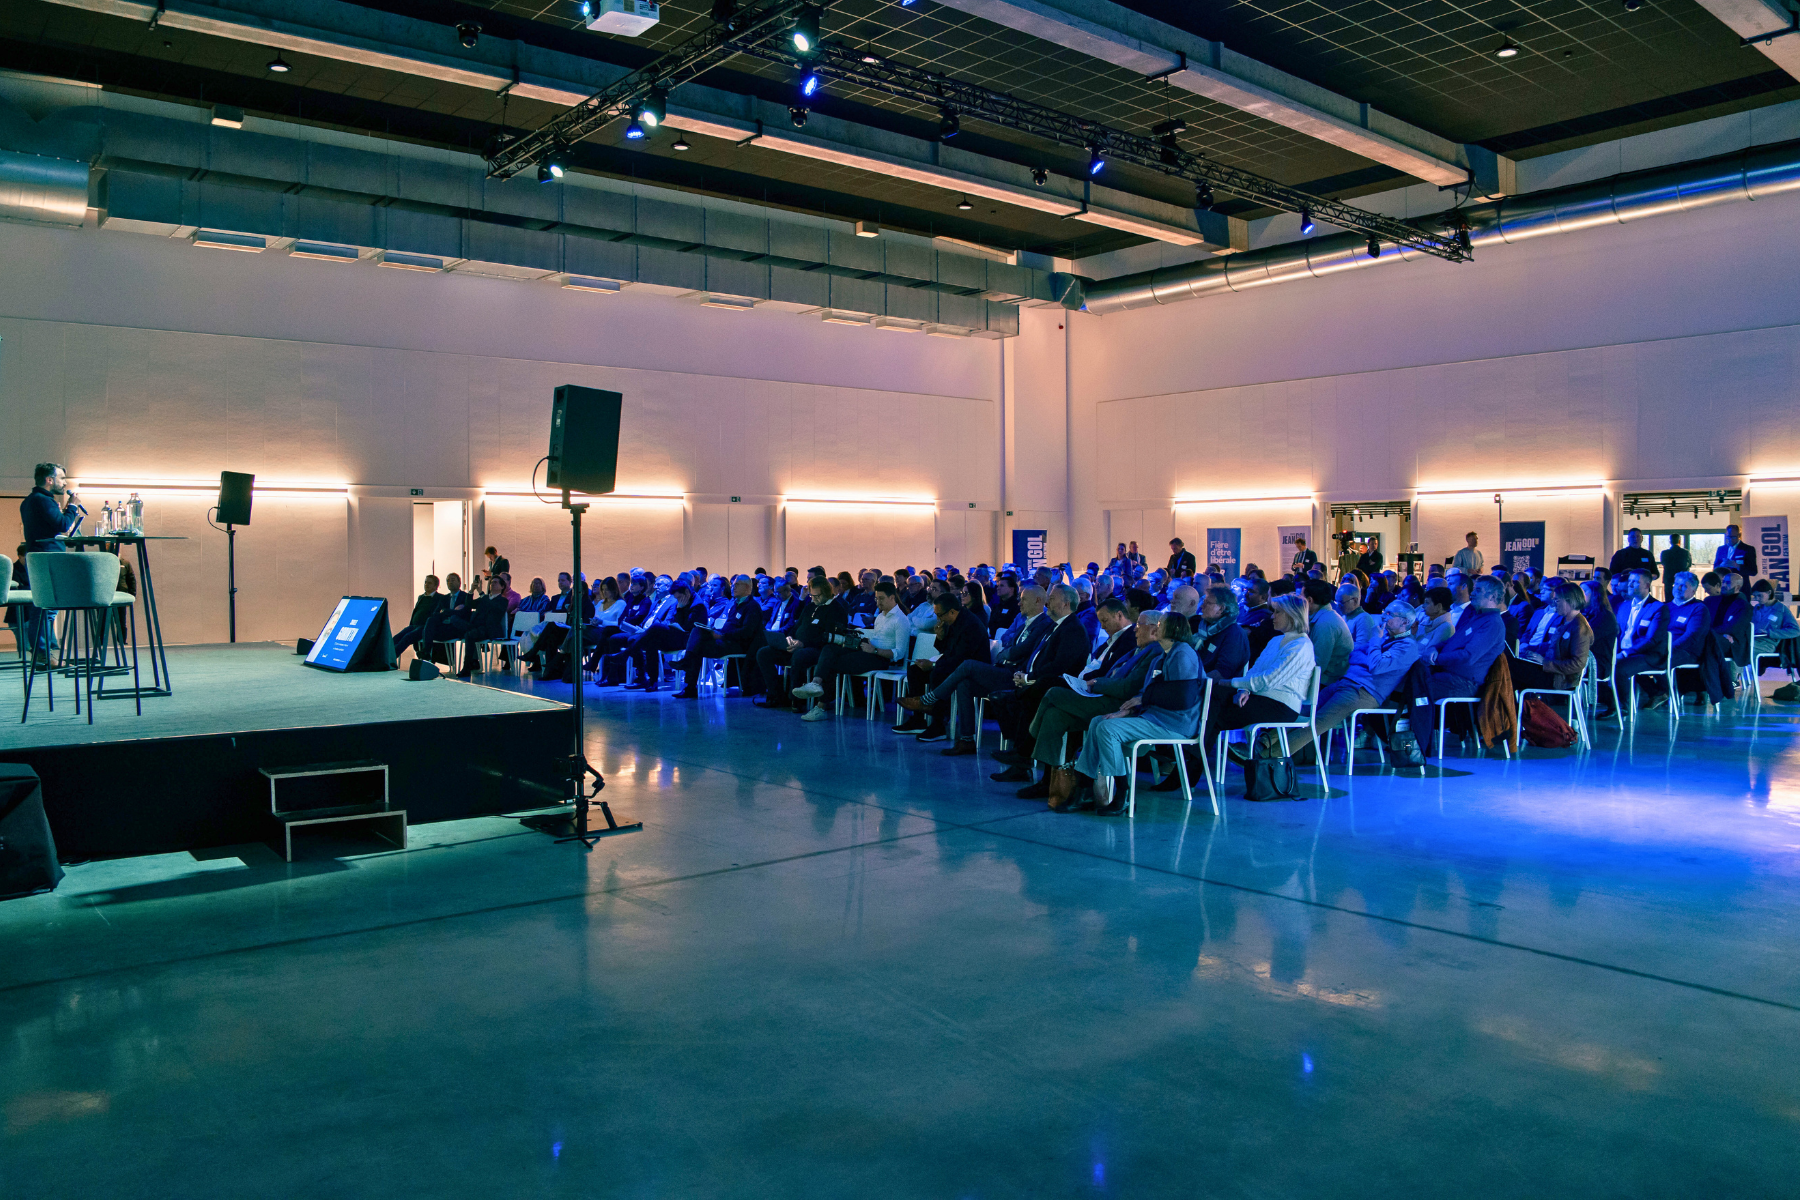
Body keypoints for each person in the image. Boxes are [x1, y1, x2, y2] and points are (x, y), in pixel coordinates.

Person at [1009, 605, 1164, 796]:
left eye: (1139, 624)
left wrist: (1096, 683)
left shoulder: (1154, 651)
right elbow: (1114, 676)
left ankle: (1026, 749)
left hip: (1117, 705)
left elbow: (1127, 688)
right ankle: (1049, 781)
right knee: (1053, 715)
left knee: (1053, 692)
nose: (1135, 629)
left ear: (1154, 629)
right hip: (1102, 697)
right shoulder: (1138, 651)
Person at [1060, 611, 1201, 815]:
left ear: (1174, 629)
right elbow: (1147, 695)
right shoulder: (1162, 656)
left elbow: (1182, 698)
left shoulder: (1183, 653)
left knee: (1108, 729)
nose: (1156, 627)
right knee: (1097, 722)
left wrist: (1144, 699)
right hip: (1154, 717)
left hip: (1175, 723)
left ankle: (1123, 794)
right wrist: (1125, 711)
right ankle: (1084, 788)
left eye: (1160, 624)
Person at [1282, 601, 1421, 757]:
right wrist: (1370, 657)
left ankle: (1273, 756)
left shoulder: (1407, 646)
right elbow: (1353, 654)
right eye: (1385, 611)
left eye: (1390, 614)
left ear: (1405, 622)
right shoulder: (1385, 638)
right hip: (1345, 683)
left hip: (1363, 692)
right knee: (1300, 712)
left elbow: (1376, 666)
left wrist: (1374, 642)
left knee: (1317, 723)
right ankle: (1264, 743)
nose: (1383, 616)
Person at [1210, 595, 1317, 768]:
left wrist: (1230, 683)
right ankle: (1189, 766)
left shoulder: (1301, 646)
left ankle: (1188, 766)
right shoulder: (1276, 640)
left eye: (1277, 612)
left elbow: (1267, 680)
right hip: (1262, 698)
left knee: (1213, 711)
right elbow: (1255, 672)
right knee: (1212, 701)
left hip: (1281, 706)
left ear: (1291, 615)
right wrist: (1243, 690)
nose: (1272, 616)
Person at [792, 580, 911, 720]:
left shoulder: (901, 620)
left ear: (892, 597)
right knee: (830, 648)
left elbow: (899, 653)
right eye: (876, 598)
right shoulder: (880, 616)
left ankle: (820, 705)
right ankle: (816, 684)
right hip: (869, 650)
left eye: (881, 598)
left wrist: (875, 650)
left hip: (880, 658)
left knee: (832, 662)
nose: (878, 602)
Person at [896, 591, 991, 739]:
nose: (938, 619)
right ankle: (918, 719)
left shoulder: (971, 625)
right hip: (955, 664)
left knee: (938, 672)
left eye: (939, 615)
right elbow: (948, 651)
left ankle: (938, 725)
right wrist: (940, 637)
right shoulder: (952, 621)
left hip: (972, 670)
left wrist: (933, 665)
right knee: (915, 670)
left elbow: (961, 658)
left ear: (952, 611)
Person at [18, 462, 84, 665]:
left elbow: (50, 526)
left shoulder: (29, 501)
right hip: (48, 558)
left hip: (39, 558)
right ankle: (43, 654)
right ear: (49, 480)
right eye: (61, 478)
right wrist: (72, 506)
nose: (64, 483)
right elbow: (62, 525)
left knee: (44, 606)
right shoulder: (43, 501)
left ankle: (42, 654)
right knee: (46, 607)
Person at [754, 576, 844, 711]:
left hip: (818, 649)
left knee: (800, 655)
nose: (814, 599)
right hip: (797, 645)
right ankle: (776, 695)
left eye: (817, 596)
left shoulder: (836, 609)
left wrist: (802, 643)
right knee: (763, 653)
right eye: (812, 595)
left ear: (826, 592)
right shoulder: (810, 607)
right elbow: (796, 628)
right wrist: (789, 639)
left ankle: (796, 700)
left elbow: (829, 637)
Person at [673, 575, 769, 698]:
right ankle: (689, 687)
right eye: (733, 584)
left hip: (739, 645)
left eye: (737, 584)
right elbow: (729, 626)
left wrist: (722, 636)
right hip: (726, 640)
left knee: (697, 646)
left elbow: (747, 632)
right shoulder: (735, 604)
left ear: (747, 587)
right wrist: (716, 632)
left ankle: (687, 671)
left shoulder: (752, 606)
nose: (733, 587)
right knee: (697, 633)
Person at [1423, 576, 1507, 705]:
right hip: (1447, 674)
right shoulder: (1475, 616)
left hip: (1463, 681)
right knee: (1407, 676)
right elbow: (1451, 642)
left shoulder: (1493, 623)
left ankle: (1406, 723)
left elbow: (1468, 656)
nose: (1472, 593)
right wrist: (1434, 648)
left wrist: (1436, 659)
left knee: (1415, 685)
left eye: (1478, 590)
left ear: (1492, 596)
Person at [1510, 583, 1594, 693]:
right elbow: (1553, 646)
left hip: (1559, 679)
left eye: (1557, 600)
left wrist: (1544, 662)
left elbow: (1577, 663)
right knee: (1511, 666)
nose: (1554, 604)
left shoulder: (1579, 627)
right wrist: (1531, 651)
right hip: (1552, 672)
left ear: (1568, 600)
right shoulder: (1567, 622)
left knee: (1510, 669)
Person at [1610, 569, 1669, 714]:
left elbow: (1651, 639)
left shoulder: (1658, 608)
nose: (1630, 584)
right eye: (1629, 581)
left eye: (1635, 581)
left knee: (1619, 668)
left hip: (1649, 654)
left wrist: (1624, 653)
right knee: (1602, 663)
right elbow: (1616, 633)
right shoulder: (1623, 606)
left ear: (1647, 585)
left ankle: (1622, 707)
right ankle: (1607, 701)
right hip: (1624, 652)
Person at [1302, 578, 1352, 686]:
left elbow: (1318, 665)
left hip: (1329, 683)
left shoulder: (1325, 624)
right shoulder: (1324, 617)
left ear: (1309, 600)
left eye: (1301, 597)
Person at [391, 574, 443, 657]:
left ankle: (392, 658)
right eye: (425, 582)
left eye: (429, 583)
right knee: (396, 638)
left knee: (407, 637)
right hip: (414, 625)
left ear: (436, 585)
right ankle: (385, 656)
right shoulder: (421, 597)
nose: (426, 584)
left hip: (424, 627)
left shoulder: (440, 598)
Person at [1334, 582, 1380, 647]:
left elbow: (1362, 646)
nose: (1338, 606)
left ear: (1355, 601)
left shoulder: (1364, 619)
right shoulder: (1343, 616)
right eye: (1337, 602)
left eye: (1341, 602)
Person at [1416, 586, 1456, 651]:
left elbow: (1427, 653)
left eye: (1427, 603)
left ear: (1438, 607)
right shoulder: (1425, 622)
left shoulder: (1447, 628)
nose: (1423, 606)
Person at [1660, 534, 1691, 600]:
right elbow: (1689, 564)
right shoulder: (1685, 553)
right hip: (1682, 580)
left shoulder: (1665, 553)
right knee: (1682, 600)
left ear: (1670, 542)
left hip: (1669, 580)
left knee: (1669, 601)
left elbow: (1663, 563)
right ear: (1679, 541)